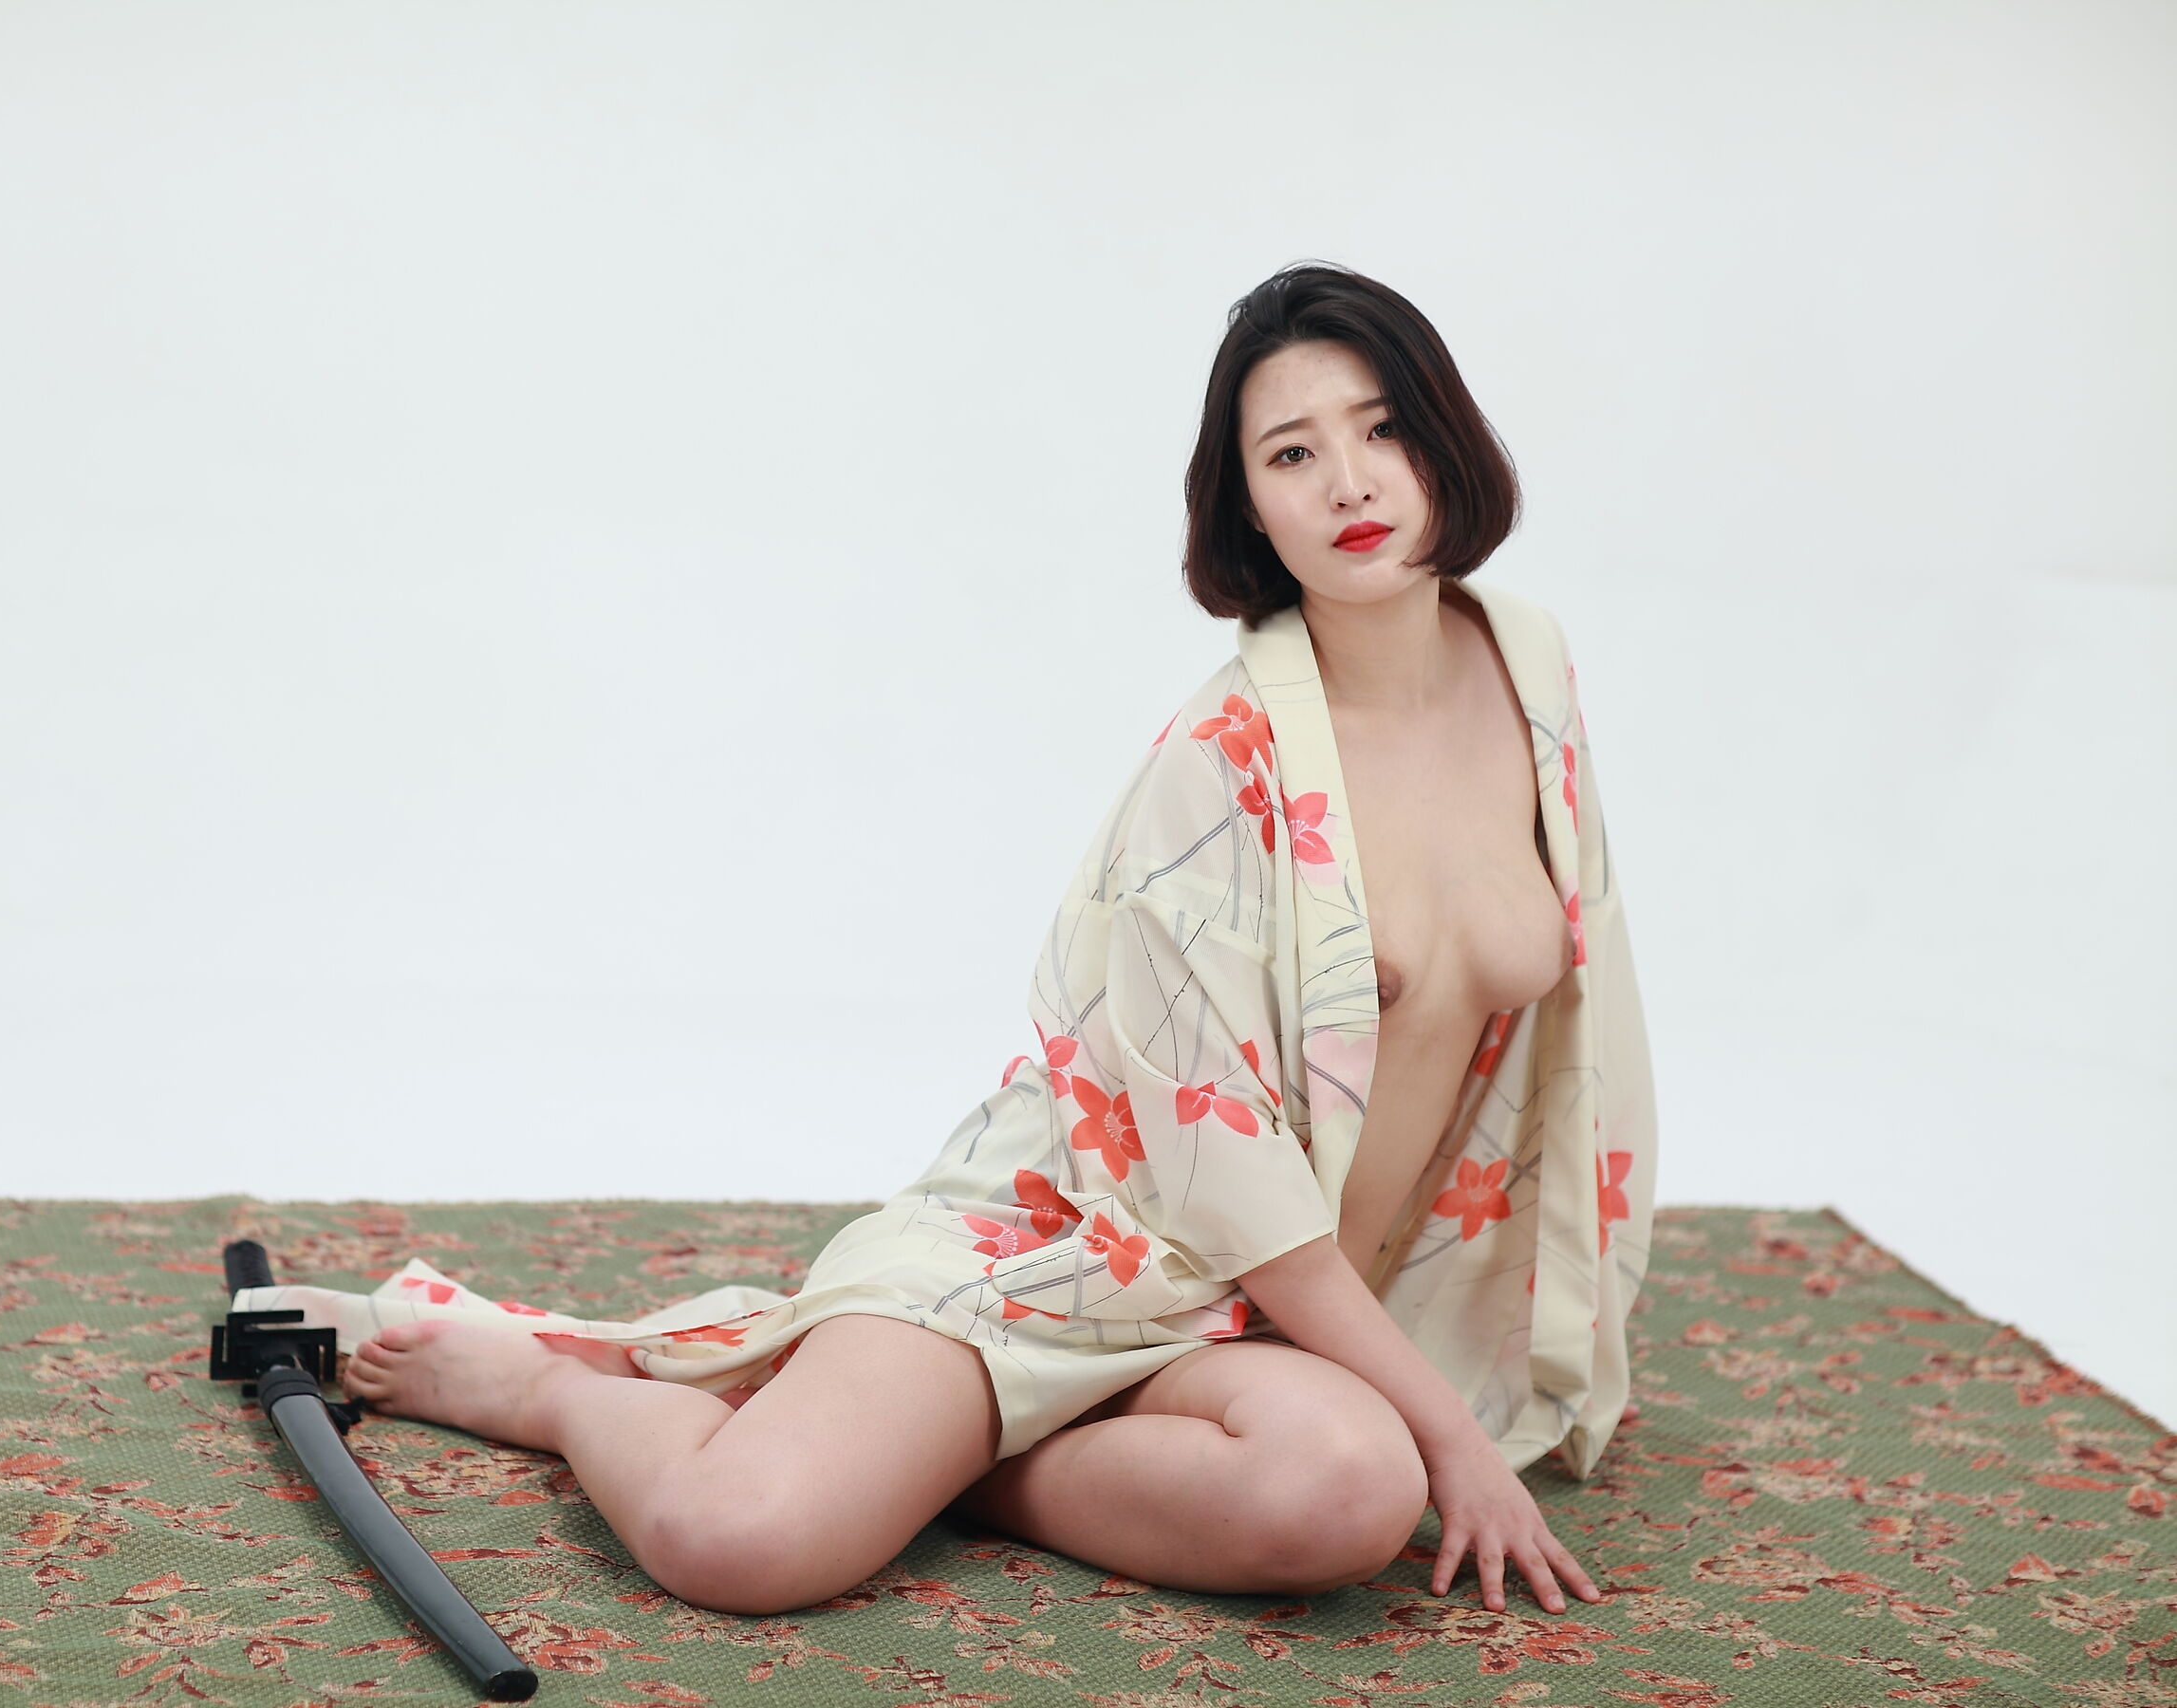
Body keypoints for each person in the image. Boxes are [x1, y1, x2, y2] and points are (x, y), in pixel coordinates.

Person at [273, 260, 1657, 1622]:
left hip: (1264, 1323)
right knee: (737, 1541)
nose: (1350, 483)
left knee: (1347, 1496)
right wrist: (1453, 1441)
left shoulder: (1523, 666)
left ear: (1445, 437)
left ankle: (940, 1459)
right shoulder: (1219, 767)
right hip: (1073, 1254)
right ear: (1248, 506)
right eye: (1293, 453)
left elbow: (1576, 1041)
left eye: (1383, 428)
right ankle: (560, 1389)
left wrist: (1468, 1379)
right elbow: (1237, 1199)